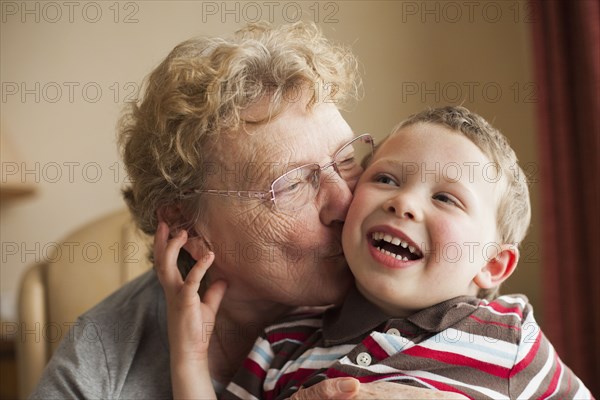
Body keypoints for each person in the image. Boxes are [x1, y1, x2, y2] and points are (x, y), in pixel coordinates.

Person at [30, 22, 461, 399]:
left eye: (347, 160)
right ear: (186, 222)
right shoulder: (103, 362)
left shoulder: (420, 291)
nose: (347, 204)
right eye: (293, 184)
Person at [163, 106, 593, 399]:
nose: (403, 203)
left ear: (493, 264)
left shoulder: (511, 337)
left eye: (446, 199)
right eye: (386, 179)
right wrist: (191, 360)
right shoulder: (282, 342)